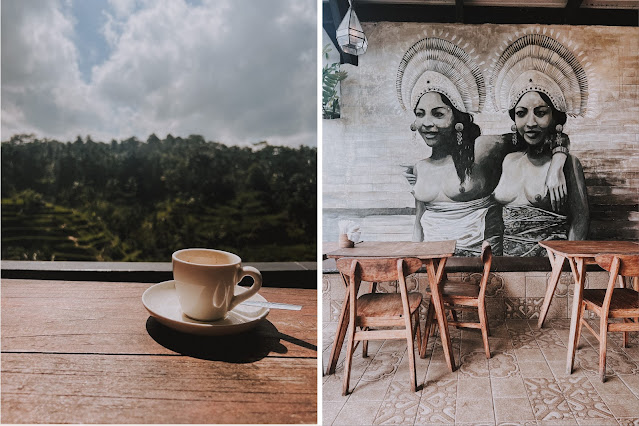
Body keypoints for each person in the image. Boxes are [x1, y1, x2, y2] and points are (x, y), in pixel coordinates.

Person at [406, 90, 569, 256]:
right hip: (432, 258)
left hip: (478, 259)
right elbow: (418, 224)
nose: (426, 123)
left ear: (457, 119)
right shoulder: (419, 168)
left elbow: (539, 134)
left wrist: (558, 163)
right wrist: (414, 260)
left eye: (438, 114)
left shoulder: (482, 150)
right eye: (420, 114)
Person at [494, 82, 589, 256]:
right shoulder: (508, 160)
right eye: (521, 113)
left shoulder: (568, 164)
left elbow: (580, 221)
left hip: (550, 265)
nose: (530, 123)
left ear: (555, 118)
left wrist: (567, 265)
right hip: (507, 266)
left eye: (541, 113)